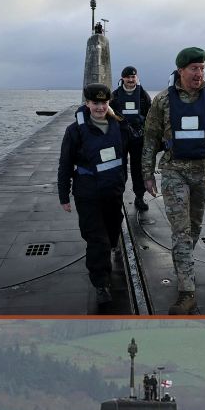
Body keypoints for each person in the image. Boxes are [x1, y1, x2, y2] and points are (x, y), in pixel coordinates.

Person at [141, 47, 205, 315]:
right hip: (174, 172)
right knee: (181, 231)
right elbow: (149, 139)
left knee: (194, 229)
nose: (199, 73)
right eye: (194, 68)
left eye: (202, 68)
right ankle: (187, 291)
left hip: (202, 174)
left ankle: (183, 266)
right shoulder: (162, 101)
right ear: (181, 70)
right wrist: (147, 173)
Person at [58, 83, 128, 308]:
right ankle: (101, 283)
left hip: (113, 191)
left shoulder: (118, 125)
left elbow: (132, 150)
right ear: (87, 103)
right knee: (97, 239)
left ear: (109, 103)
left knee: (113, 229)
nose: (100, 107)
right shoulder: (75, 130)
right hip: (88, 192)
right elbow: (65, 164)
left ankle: (110, 248)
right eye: (95, 103)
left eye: (104, 102)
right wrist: (64, 195)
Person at [110, 66, 152, 211]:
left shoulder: (143, 96)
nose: (130, 80)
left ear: (136, 78)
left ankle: (139, 197)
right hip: (121, 136)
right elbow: (109, 116)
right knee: (119, 168)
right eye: (127, 77)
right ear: (122, 78)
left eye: (133, 77)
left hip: (138, 138)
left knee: (138, 168)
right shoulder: (114, 96)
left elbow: (150, 116)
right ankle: (118, 197)